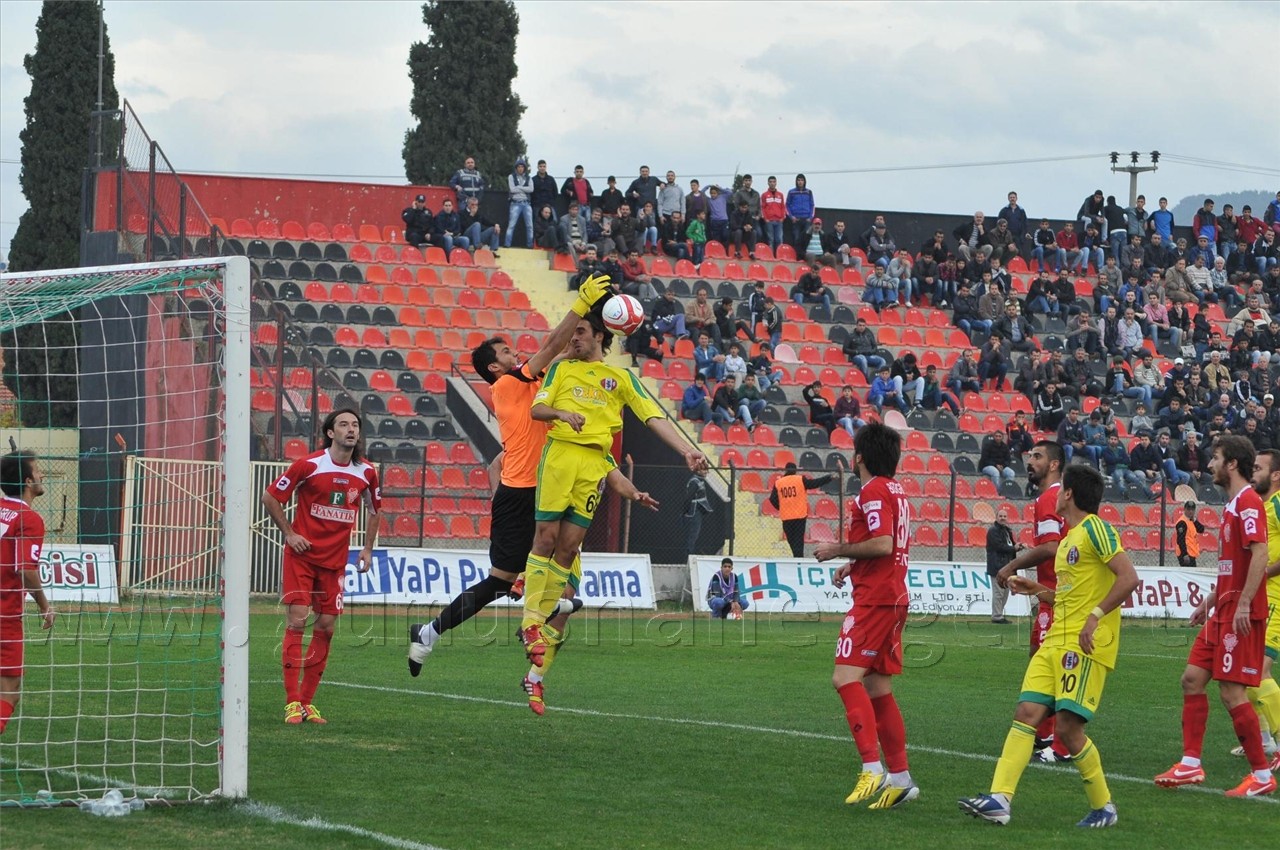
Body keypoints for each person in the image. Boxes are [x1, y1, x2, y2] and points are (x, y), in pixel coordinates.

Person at [407, 277, 626, 696]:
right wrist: (581, 303)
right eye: (507, 351)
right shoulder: (507, 386)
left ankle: (532, 649)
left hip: (545, 489)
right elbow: (553, 344)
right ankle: (442, 631)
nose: (516, 353)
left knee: (553, 577)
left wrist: (597, 325)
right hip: (523, 494)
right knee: (503, 581)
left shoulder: (538, 383)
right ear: (495, 367)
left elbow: (567, 349)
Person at [520, 310, 707, 688]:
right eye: (572, 333)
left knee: (569, 550)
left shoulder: (620, 378)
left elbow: (653, 416)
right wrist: (561, 412)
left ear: (601, 337)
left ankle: (536, 673)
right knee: (545, 537)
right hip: (560, 455)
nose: (574, 338)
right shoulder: (561, 371)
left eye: (582, 332)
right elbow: (536, 409)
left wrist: (686, 450)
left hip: (594, 464)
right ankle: (530, 626)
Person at [961, 464, 1137, 828]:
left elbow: (1129, 578)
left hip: (1084, 644)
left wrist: (1095, 616)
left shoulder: (1096, 530)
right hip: (1056, 639)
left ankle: (1104, 807)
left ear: (1069, 493)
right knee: (1026, 711)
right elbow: (1069, 598)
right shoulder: (1069, 540)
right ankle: (1000, 799)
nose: (1055, 494)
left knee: (1069, 730)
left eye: (1061, 490)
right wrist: (1037, 591)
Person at [1155, 436, 1278, 797]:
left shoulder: (1250, 503)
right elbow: (1235, 566)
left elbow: (1259, 553)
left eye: (1215, 458)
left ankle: (1261, 774)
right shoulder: (1234, 505)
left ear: (1231, 465)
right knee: (1192, 679)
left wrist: (1243, 604)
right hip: (1222, 610)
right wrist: (1212, 599)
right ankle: (1190, 764)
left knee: (1231, 691)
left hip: (1240, 614)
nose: (1209, 465)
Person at [813, 423, 919, 810]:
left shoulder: (872, 490)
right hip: (891, 595)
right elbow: (886, 548)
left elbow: (882, 543)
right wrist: (853, 565)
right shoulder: (897, 491)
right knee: (878, 689)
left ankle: (872, 768)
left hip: (875, 601)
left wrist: (837, 549)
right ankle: (902, 779)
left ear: (858, 456)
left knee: (844, 677)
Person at [263, 408, 381, 725]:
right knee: (298, 619)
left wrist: (367, 550)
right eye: (343, 424)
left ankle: (307, 703)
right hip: (302, 558)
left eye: (355, 424)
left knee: (326, 627)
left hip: (334, 563)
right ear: (330, 432)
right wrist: (289, 533)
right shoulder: (310, 465)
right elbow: (271, 496)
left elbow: (374, 510)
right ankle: (291, 702)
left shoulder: (367, 472)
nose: (351, 429)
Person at [996, 440, 1070, 761]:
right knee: (1040, 659)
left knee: (1052, 667)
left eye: (1037, 457)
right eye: (1029, 457)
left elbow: (1053, 547)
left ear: (1054, 464)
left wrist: (1013, 564)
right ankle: (1044, 732)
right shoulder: (1053, 498)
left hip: (1058, 598)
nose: (1030, 462)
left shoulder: (1050, 498)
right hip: (1051, 595)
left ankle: (1061, 744)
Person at [0, 452, 54, 735]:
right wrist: (45, 605)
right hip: (5, 615)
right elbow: (25, 568)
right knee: (10, 692)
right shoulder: (29, 519)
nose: (42, 475)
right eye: (38, 470)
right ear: (28, 481)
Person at [1243, 449, 1280, 763]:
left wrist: (1265, 572)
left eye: (1259, 467)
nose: (1252, 472)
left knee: (1259, 669)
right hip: (1261, 596)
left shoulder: (1278, 504)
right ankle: (1265, 740)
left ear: (1276, 474)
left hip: (1275, 598)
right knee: (1249, 671)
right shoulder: (1261, 507)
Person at [769, 462, 834, 558]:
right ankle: (799, 560)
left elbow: (772, 499)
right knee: (798, 542)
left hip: (787, 517)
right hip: (799, 516)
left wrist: (781, 507)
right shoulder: (800, 479)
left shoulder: (779, 483)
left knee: (792, 542)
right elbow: (814, 483)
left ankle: (797, 559)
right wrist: (828, 478)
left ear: (786, 470)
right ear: (795, 471)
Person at [985, 508, 1017, 625]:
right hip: (997, 566)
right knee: (998, 593)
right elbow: (999, 547)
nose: (1003, 518)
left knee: (1005, 592)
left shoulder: (1007, 531)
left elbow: (1010, 548)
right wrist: (1014, 548)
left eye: (1004, 516)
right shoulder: (993, 531)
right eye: (1001, 516)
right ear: (996, 517)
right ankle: (997, 616)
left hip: (1007, 567)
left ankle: (999, 614)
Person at [683, 469, 713, 560]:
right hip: (693, 512)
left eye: (706, 470)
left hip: (699, 512)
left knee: (696, 534)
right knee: (693, 535)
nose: (705, 472)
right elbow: (689, 498)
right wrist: (685, 512)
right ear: (698, 470)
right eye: (704, 470)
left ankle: (693, 553)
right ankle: (689, 556)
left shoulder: (700, 480)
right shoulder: (694, 482)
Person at [506, 158, 534, 249]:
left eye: (522, 166)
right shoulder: (511, 176)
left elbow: (531, 189)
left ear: (525, 168)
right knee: (511, 225)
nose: (521, 168)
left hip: (526, 203)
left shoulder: (529, 178)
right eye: (519, 166)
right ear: (516, 168)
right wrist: (523, 188)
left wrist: (519, 187)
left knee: (530, 225)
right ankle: (507, 244)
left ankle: (530, 245)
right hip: (515, 203)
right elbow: (512, 189)